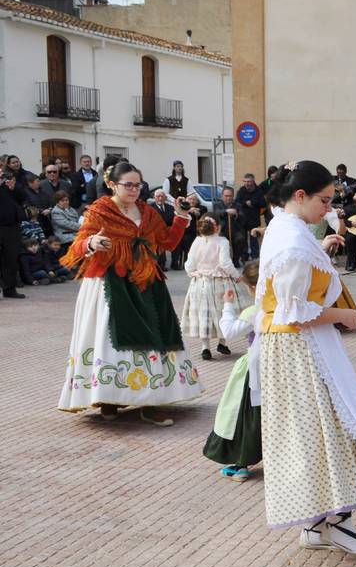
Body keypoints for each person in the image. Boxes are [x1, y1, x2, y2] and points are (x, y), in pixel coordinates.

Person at [256, 161, 356, 555]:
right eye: (324, 200)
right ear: (300, 196)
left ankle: (321, 523)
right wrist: (344, 316)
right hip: (300, 347)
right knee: (327, 430)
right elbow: (293, 311)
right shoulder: (292, 240)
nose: (329, 210)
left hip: (297, 345)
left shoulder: (288, 228)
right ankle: (334, 523)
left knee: (316, 432)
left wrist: (323, 247)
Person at [57, 161, 201, 425]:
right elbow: (78, 244)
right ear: (112, 184)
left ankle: (150, 402)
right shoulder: (99, 211)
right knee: (109, 342)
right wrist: (92, 242)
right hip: (110, 283)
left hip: (146, 282)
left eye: (138, 185)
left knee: (153, 338)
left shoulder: (148, 213)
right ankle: (108, 398)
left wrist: (180, 216)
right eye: (128, 185)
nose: (135, 190)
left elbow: (167, 242)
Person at [203, 261, 262, 483]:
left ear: (253, 287)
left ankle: (241, 463)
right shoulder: (284, 306)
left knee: (244, 416)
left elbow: (228, 330)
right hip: (279, 369)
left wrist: (227, 305)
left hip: (254, 370)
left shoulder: (255, 311)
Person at [181, 215, 252, 361]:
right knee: (224, 311)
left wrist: (193, 274)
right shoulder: (222, 241)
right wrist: (236, 275)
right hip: (220, 282)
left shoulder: (197, 241)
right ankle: (222, 343)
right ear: (217, 227)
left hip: (200, 283)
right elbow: (225, 263)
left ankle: (205, 348)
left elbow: (189, 264)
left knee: (204, 314)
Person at [0, 171, 24, 299]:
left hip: (11, 227)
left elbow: (22, 197)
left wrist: (13, 188)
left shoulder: (10, 186)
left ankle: (10, 289)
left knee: (11, 259)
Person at [235, 173, 267, 258]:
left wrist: (253, 202)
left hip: (253, 219)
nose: (247, 184)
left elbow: (263, 204)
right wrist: (246, 203)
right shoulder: (241, 190)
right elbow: (237, 202)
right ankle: (244, 256)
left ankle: (255, 256)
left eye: (249, 181)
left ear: (253, 181)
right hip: (243, 219)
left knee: (254, 238)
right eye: (245, 181)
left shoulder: (258, 191)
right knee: (243, 239)